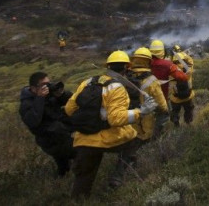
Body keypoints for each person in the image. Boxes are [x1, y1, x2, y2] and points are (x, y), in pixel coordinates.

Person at [64, 50, 157, 198]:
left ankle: (78, 200)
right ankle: (118, 178)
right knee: (134, 139)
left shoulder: (87, 82)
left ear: (108, 66)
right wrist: (142, 111)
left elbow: (69, 109)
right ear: (127, 68)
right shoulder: (117, 88)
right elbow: (116, 119)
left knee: (83, 180)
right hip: (108, 138)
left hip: (84, 139)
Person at [19, 71, 75, 177]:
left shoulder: (49, 95)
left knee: (63, 168)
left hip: (62, 133)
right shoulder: (26, 104)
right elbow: (33, 122)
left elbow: (72, 101)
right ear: (34, 88)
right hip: (50, 140)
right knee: (82, 153)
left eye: (48, 83)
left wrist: (61, 94)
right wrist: (40, 98)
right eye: (44, 85)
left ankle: (62, 178)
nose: (47, 87)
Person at [126, 47, 168, 147]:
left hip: (128, 126)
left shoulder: (125, 79)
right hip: (146, 128)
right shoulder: (152, 80)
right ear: (149, 62)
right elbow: (163, 106)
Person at [149, 39, 189, 135]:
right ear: (163, 51)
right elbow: (183, 77)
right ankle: (157, 138)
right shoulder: (168, 64)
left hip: (144, 98)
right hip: (161, 97)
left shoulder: (145, 63)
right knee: (163, 118)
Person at [169, 44, 195, 126]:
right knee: (188, 110)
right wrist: (183, 54)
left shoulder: (170, 72)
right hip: (188, 96)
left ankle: (176, 124)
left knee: (175, 111)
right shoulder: (189, 69)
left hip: (175, 98)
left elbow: (168, 63)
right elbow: (191, 61)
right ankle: (188, 123)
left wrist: (172, 56)